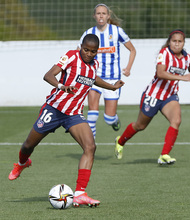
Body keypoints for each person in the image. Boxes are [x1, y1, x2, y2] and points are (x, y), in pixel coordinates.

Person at [8, 34, 124, 207]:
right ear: (81, 47)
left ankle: (80, 193)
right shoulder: (71, 56)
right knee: (28, 145)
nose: (89, 54)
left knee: (90, 147)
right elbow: (48, 75)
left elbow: (93, 79)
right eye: (86, 50)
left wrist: (112, 86)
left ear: (96, 52)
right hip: (53, 109)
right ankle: (22, 163)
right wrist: (62, 87)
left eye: (93, 51)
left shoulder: (95, 65)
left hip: (74, 114)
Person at [114, 29, 190, 164]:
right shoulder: (164, 53)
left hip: (170, 96)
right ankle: (120, 142)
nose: (177, 44)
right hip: (153, 95)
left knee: (176, 121)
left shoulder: (187, 58)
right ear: (169, 42)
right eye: (174, 41)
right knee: (140, 126)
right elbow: (160, 73)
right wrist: (182, 77)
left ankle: (164, 155)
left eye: (180, 41)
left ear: (184, 43)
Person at [77, 3, 136, 138]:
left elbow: (132, 50)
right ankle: (90, 145)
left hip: (113, 79)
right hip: (94, 77)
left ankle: (114, 121)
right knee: (92, 115)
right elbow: (77, 53)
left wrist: (128, 68)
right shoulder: (88, 33)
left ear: (108, 16)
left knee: (109, 118)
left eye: (104, 13)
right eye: (98, 13)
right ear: (94, 16)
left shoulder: (116, 31)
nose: (101, 16)